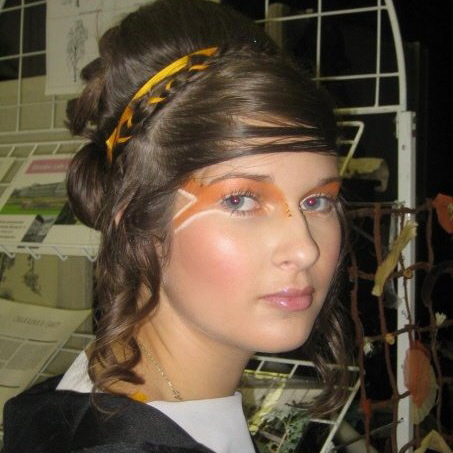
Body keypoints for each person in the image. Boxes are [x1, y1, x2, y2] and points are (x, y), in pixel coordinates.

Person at [2, 0, 351, 452]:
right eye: (240, 200)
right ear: (136, 218)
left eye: (318, 200)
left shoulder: (96, 394)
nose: (304, 249)